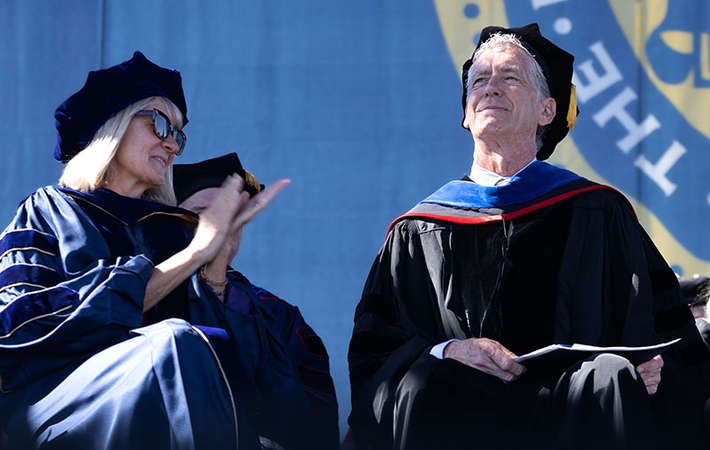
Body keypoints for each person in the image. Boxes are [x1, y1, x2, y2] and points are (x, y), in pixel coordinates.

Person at [347, 23, 709, 450]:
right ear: (466, 113)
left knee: (612, 373)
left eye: (510, 77)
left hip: (574, 414)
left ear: (547, 111)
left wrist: (652, 368)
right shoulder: (419, 229)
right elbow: (375, 352)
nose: (491, 88)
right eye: (479, 79)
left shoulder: (597, 212)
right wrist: (448, 351)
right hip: (460, 412)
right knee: (426, 377)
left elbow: (661, 331)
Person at [0, 51, 289, 449]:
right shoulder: (48, 211)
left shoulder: (180, 231)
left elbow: (238, 365)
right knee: (174, 343)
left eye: (179, 135)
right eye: (158, 124)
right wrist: (193, 255)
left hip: (172, 409)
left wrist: (215, 269)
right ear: (112, 128)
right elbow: (19, 326)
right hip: (62, 402)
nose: (172, 146)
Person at [170, 153, 339, 450]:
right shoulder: (147, 297)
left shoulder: (281, 316)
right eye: (201, 215)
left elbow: (315, 422)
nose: (222, 227)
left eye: (232, 217)